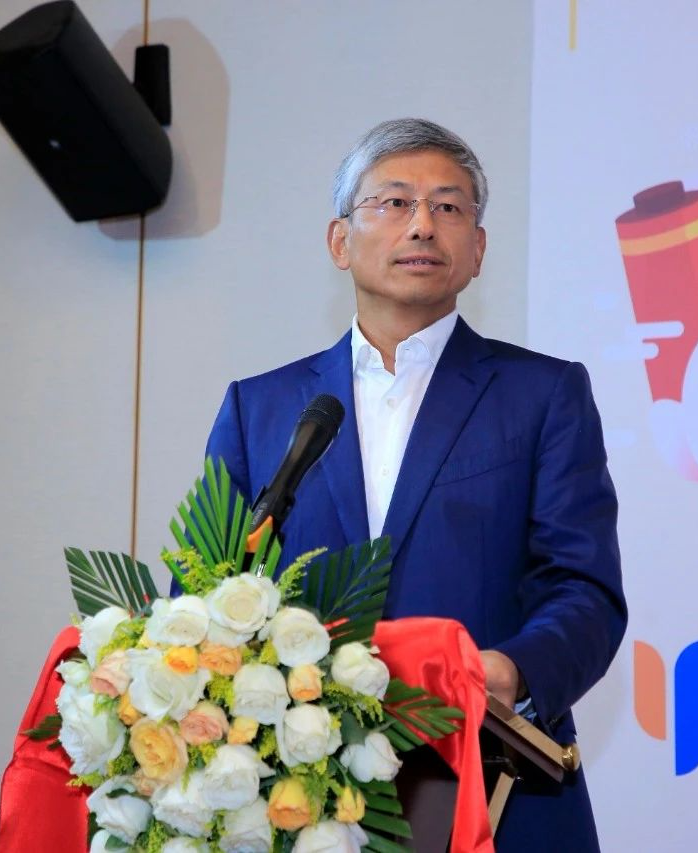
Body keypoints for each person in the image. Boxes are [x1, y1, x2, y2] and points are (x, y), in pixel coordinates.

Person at [205, 118, 626, 850]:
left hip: (494, 788)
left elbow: (584, 588)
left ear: (478, 250)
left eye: (448, 206)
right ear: (340, 241)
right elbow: (211, 586)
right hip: (294, 798)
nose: (423, 224)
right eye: (394, 202)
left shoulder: (542, 394)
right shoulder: (261, 409)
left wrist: (512, 672)